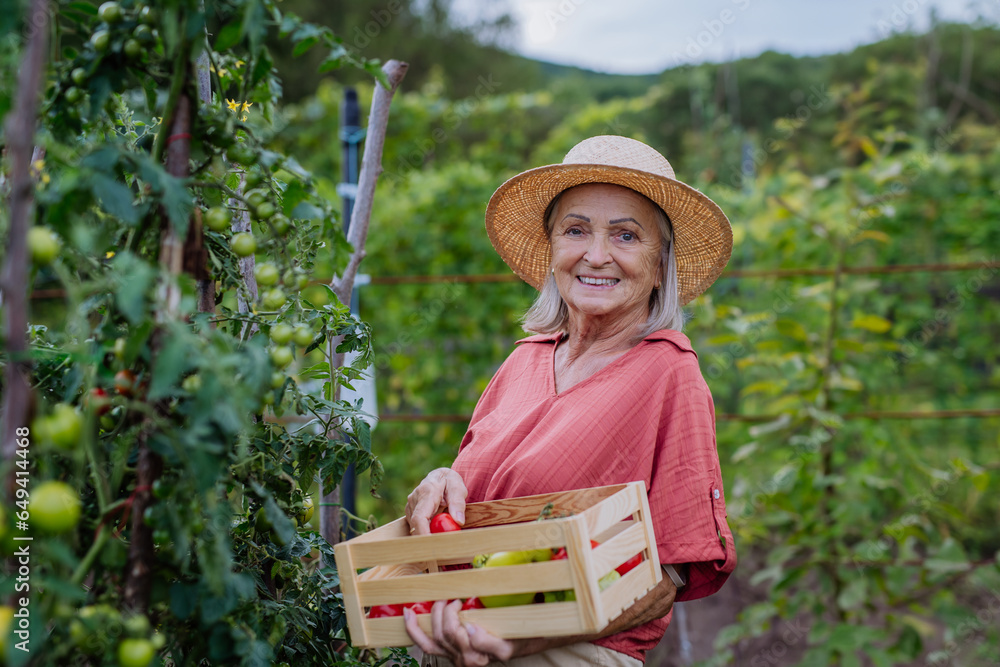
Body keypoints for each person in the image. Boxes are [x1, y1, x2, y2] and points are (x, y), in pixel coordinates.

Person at [403, 136, 737, 666]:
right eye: (576, 230)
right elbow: (480, 502)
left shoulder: (669, 372)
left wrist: (521, 638)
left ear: (659, 265)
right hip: (460, 642)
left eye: (625, 235)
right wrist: (443, 481)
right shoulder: (525, 360)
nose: (596, 254)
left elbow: (668, 573)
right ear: (552, 248)